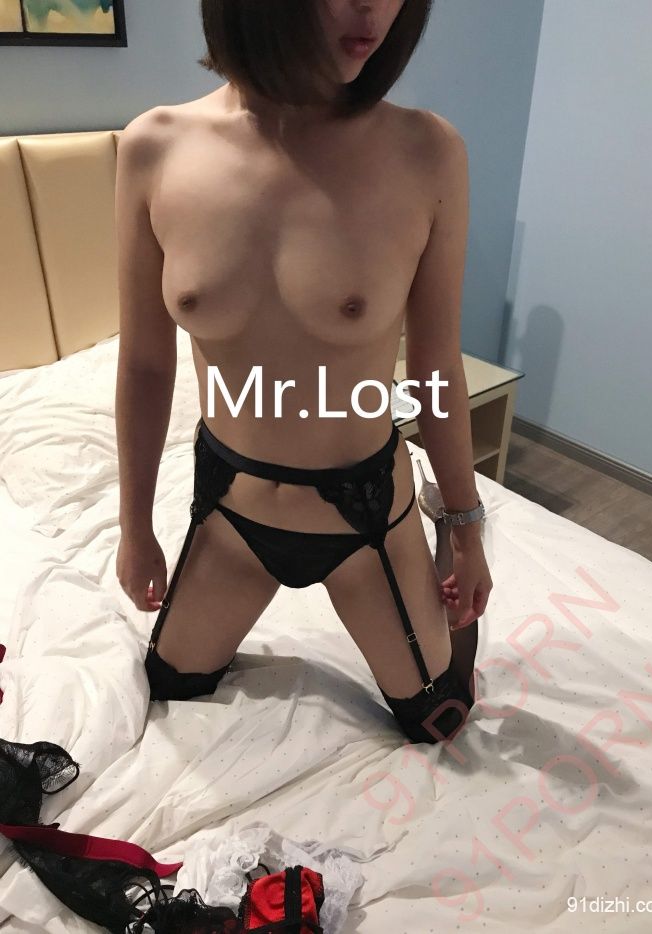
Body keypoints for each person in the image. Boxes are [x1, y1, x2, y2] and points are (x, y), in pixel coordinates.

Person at [114, 0, 493, 745]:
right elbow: (146, 364)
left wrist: (465, 524)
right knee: (171, 686)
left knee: (439, 718)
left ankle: (431, 565)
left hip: (366, 516)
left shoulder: (426, 153)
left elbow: (435, 365)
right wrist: (134, 528)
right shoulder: (154, 147)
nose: (372, 8)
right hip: (232, 510)